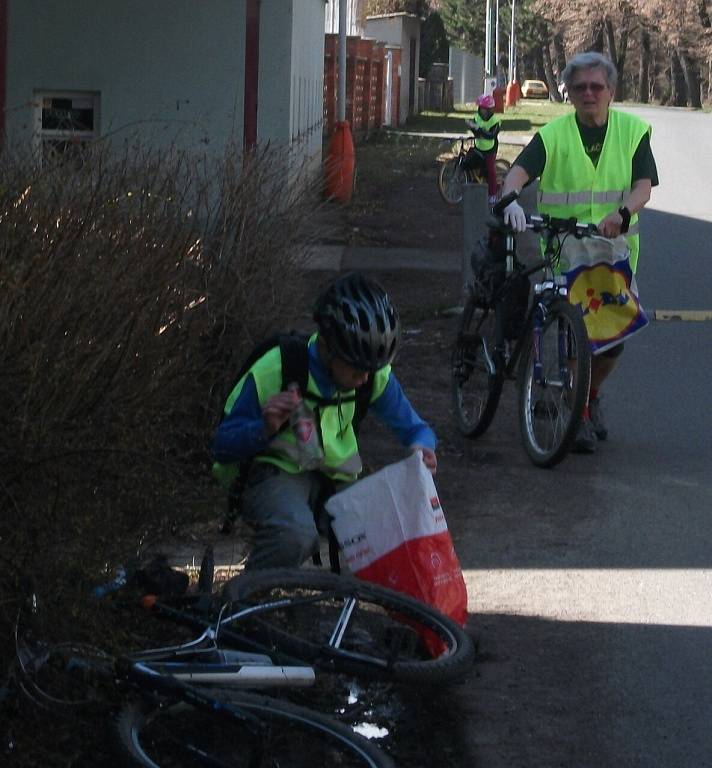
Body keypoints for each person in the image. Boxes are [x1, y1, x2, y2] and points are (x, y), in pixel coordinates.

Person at [212, 272, 438, 570]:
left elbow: (417, 429)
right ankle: (242, 602)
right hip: (276, 473)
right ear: (329, 348)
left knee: (387, 532)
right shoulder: (278, 368)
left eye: (372, 369)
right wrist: (263, 428)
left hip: (334, 478)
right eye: (357, 368)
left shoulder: (370, 374)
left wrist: (420, 449)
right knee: (294, 536)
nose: (365, 378)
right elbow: (220, 446)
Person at [500, 51, 659, 454]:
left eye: (596, 87)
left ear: (611, 91)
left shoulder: (632, 131)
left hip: (613, 251)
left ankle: (588, 397)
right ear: (569, 92)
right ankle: (578, 416)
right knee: (578, 333)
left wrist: (623, 212)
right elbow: (518, 172)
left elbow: (644, 186)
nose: (588, 93)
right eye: (580, 87)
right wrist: (511, 199)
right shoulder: (554, 134)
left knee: (614, 340)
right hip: (565, 249)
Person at [465, 93, 502, 206]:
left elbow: (491, 135)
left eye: (484, 109)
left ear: (490, 110)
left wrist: (479, 130)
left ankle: (492, 195)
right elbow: (474, 127)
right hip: (478, 146)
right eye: (480, 108)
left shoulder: (496, 121)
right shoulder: (477, 117)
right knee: (470, 162)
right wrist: (471, 126)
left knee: (490, 171)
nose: (481, 111)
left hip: (490, 149)